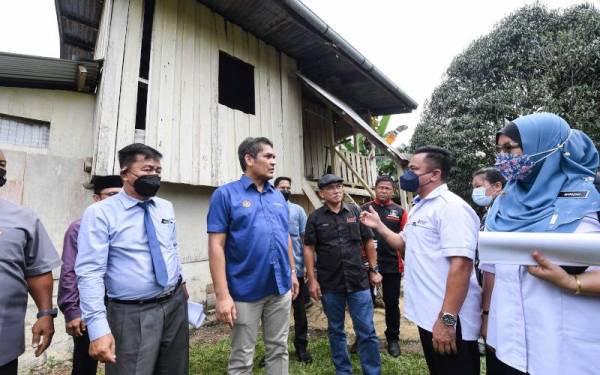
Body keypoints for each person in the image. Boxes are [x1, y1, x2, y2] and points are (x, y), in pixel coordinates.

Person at [481, 113, 600, 375]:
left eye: (510, 148)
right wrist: (488, 317)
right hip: (509, 347)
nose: (503, 157)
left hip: (566, 353)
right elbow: (492, 269)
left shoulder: (593, 199)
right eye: (500, 150)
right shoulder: (504, 203)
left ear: (545, 146)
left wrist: (574, 282)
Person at [361, 146, 482, 375]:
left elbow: (462, 265)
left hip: (449, 319)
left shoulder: (451, 208)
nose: (406, 174)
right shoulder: (419, 206)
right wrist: (378, 225)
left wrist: (447, 321)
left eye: (414, 169)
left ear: (434, 174)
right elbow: (402, 242)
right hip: (428, 317)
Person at [76, 143, 189, 375]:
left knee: (175, 370)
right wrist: (98, 329)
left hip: (174, 304)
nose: (154, 176)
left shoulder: (166, 208)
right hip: (131, 313)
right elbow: (90, 272)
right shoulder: (100, 213)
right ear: (125, 174)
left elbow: (172, 247)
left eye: (158, 171)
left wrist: (182, 282)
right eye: (147, 170)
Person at [207, 137, 299, 375]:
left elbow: (285, 236)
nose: (273, 161)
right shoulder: (225, 195)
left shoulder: (278, 196)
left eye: (274, 157)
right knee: (242, 357)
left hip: (279, 288)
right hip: (244, 291)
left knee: (279, 349)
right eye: (268, 156)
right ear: (249, 159)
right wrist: (222, 295)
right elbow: (216, 245)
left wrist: (292, 272)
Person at [304, 174, 382, 375]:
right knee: (336, 330)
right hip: (331, 284)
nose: (337, 190)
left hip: (358, 281)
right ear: (321, 193)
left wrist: (374, 270)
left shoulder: (356, 212)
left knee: (366, 330)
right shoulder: (315, 218)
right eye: (331, 188)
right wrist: (312, 280)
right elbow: (309, 249)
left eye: (339, 186)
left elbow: (369, 242)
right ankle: (343, 371)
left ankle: (372, 371)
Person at [0, 149, 61, 375]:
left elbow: (37, 271)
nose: (1, 169)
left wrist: (46, 314)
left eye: (3, 165)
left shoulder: (24, 218)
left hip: (3, 344)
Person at [58, 175, 122, 375]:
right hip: (89, 302)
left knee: (121, 356)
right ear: (96, 198)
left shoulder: (127, 225)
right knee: (85, 360)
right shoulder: (79, 227)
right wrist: (72, 310)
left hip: (121, 303)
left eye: (121, 196)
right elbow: (69, 270)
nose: (116, 201)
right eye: (111, 195)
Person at [360, 175, 407, 357]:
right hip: (366, 266)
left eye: (388, 188)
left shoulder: (400, 211)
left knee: (392, 303)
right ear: (375, 188)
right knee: (364, 304)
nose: (384, 191)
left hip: (392, 265)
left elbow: (405, 240)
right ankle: (364, 338)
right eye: (381, 187)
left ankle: (393, 339)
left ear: (393, 191)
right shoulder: (363, 209)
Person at [274, 176, 312, 363]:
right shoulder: (268, 208)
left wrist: (305, 267)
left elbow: (305, 242)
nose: (286, 190)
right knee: (274, 315)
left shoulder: (298, 211)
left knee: (300, 314)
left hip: (295, 271)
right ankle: (273, 351)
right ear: (274, 189)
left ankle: (301, 347)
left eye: (288, 187)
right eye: (282, 187)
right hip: (273, 273)